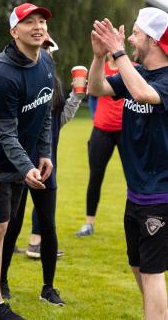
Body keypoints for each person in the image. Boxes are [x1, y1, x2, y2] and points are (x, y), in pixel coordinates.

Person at [88, 7, 168, 320]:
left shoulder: (162, 78)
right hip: (136, 193)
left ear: (153, 40)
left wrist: (118, 52)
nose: (131, 38)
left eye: (136, 33)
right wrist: (98, 56)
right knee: (138, 265)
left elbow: (144, 94)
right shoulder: (138, 72)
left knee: (151, 271)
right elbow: (97, 89)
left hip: (160, 196)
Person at [0, 3, 65, 318]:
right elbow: (5, 134)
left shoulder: (46, 61)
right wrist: (26, 166)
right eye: (28, 21)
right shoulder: (3, 75)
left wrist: (44, 152)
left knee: (7, 228)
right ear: (13, 31)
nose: (38, 26)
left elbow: (45, 112)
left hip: (26, 162)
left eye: (42, 21)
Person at [24, 34, 84, 258]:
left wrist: (77, 96)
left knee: (42, 200)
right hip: (21, 154)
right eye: (43, 48)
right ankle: (15, 246)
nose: (46, 52)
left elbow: (59, 120)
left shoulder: (53, 82)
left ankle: (35, 243)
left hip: (46, 155)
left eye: (48, 49)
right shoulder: (17, 76)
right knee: (11, 209)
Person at [76, 52, 124, 237]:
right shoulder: (100, 69)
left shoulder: (132, 68)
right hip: (102, 131)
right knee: (95, 177)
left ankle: (139, 220)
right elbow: (92, 95)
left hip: (125, 131)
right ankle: (89, 223)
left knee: (133, 177)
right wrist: (97, 116)